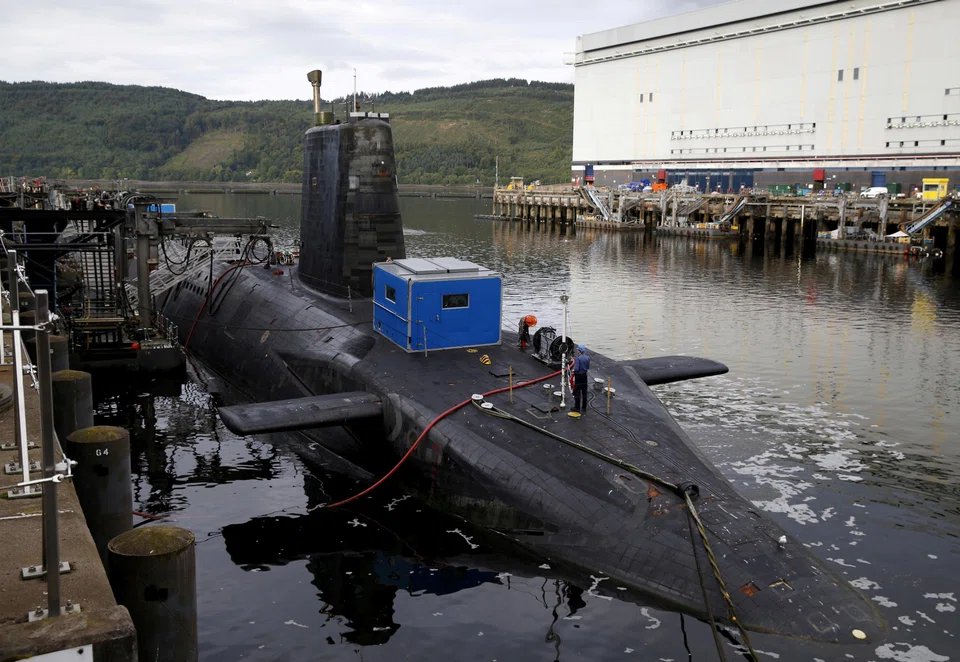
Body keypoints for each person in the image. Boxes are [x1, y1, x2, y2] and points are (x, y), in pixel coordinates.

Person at [571, 345, 590, 414]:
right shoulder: (588, 358)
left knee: (577, 392)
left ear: (579, 351)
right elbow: (588, 367)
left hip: (579, 376)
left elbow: (576, 369)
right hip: (585, 376)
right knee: (584, 392)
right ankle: (584, 407)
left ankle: (577, 407)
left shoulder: (578, 359)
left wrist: (574, 372)